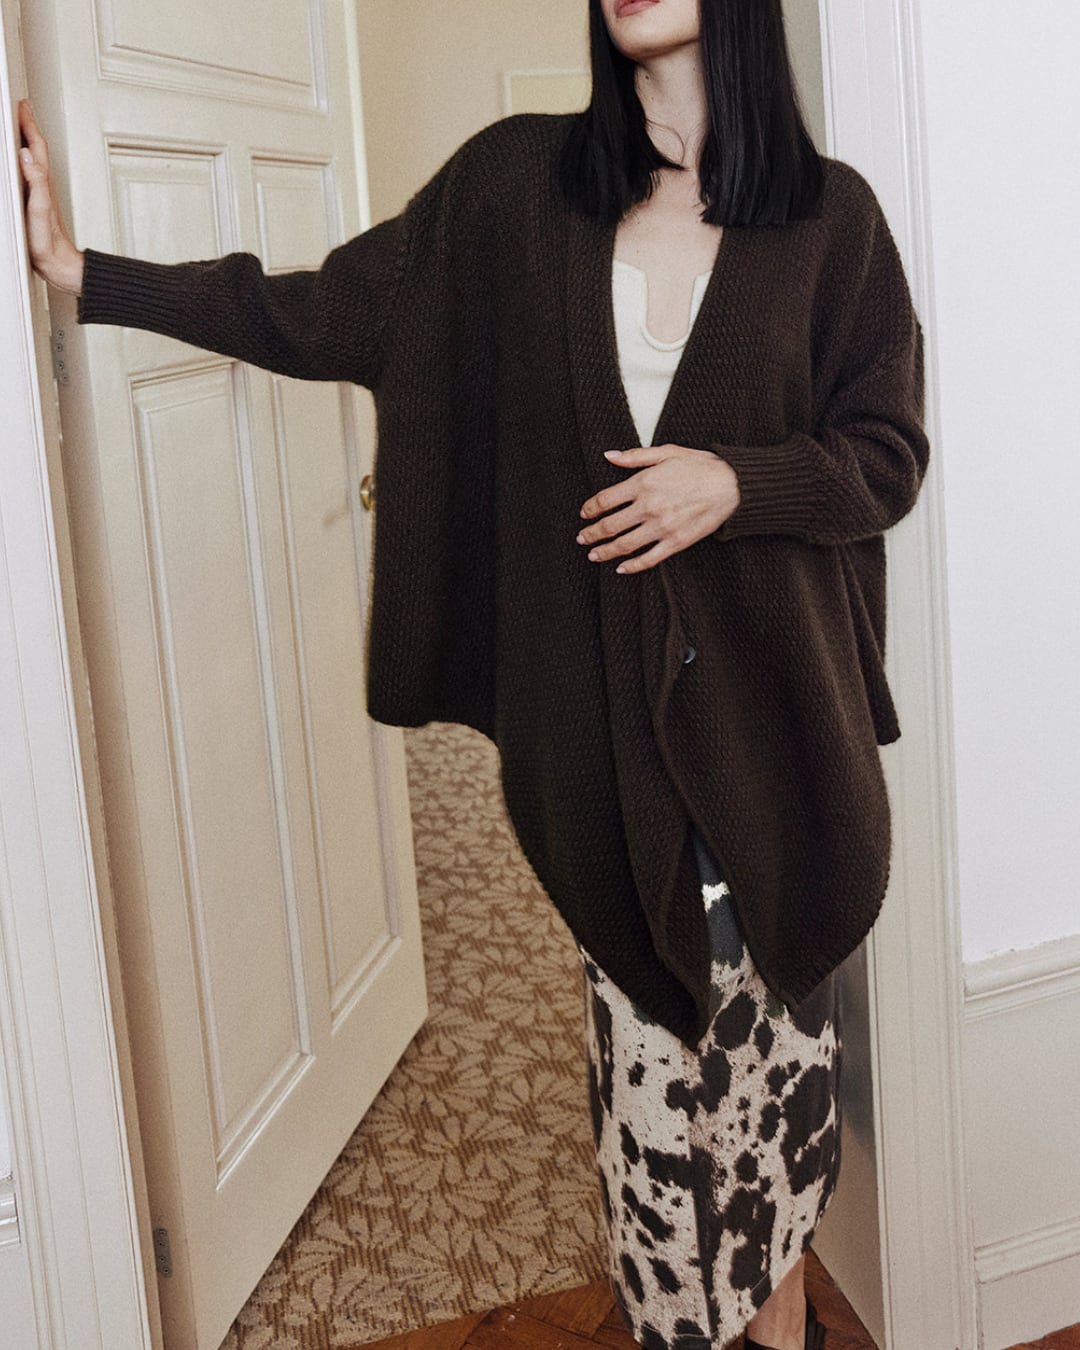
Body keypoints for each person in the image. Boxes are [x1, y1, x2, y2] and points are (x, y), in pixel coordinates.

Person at [19, 1, 927, 1346]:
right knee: (661, 1136)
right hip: (611, 764)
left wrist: (736, 483)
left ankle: (784, 1325)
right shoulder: (518, 191)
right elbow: (325, 310)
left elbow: (885, 455)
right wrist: (83, 271)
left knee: (776, 1125)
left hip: (785, 750)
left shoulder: (832, 220)